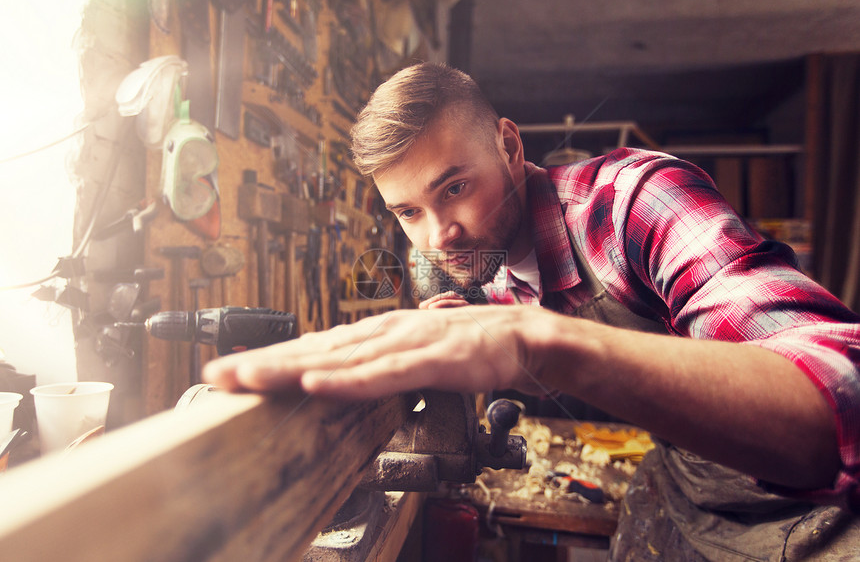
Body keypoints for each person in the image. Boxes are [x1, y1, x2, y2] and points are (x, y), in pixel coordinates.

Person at [204, 62, 860, 559]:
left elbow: (839, 397)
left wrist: (539, 340)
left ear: (510, 145)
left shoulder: (635, 203)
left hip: (831, 512)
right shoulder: (468, 262)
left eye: (455, 188)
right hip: (691, 488)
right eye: (408, 212)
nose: (439, 234)